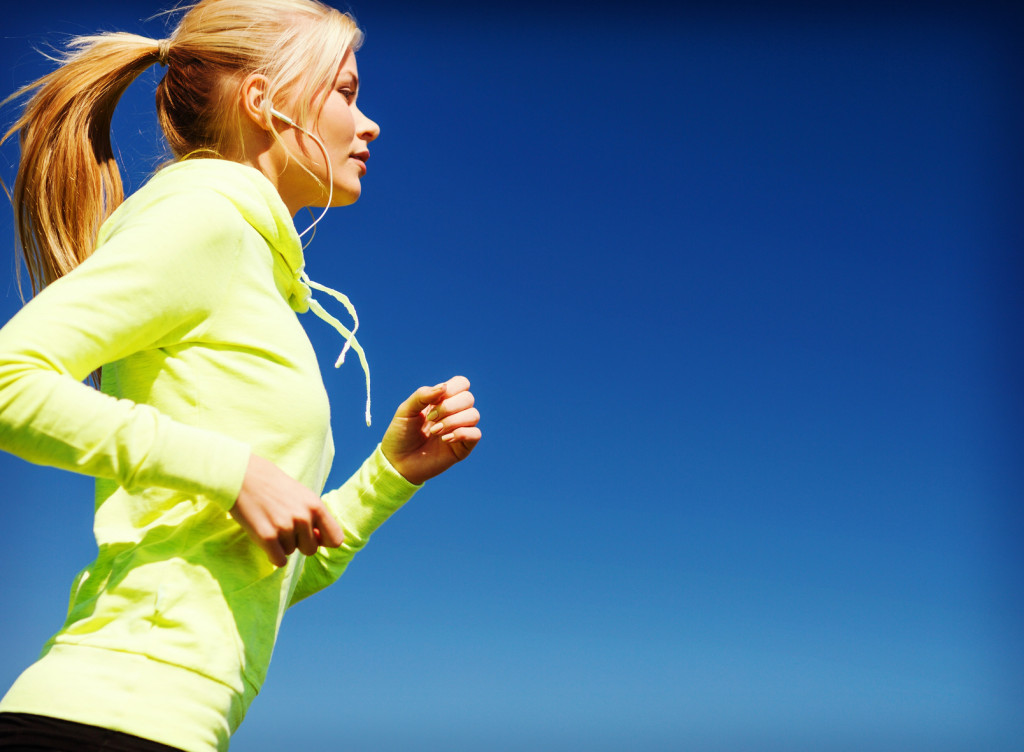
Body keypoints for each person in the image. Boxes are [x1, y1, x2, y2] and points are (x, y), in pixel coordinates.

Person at [0, 1, 481, 750]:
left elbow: (273, 571)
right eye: (345, 92)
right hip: (102, 717)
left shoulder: (254, 267)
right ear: (263, 103)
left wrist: (390, 475)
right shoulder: (204, 222)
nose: (369, 123)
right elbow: (9, 380)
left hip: (176, 728)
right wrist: (232, 472)